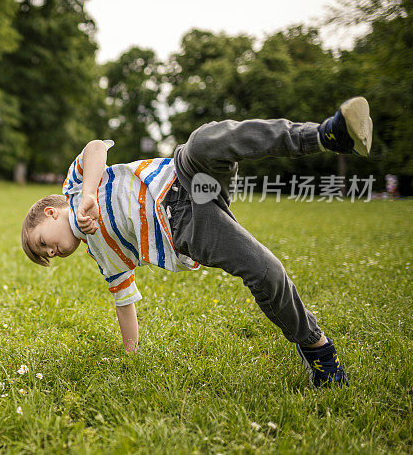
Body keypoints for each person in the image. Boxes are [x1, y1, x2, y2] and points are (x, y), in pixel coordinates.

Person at [21, 96, 374, 389]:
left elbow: (95, 148)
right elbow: (124, 300)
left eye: (42, 243)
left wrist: (88, 194)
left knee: (206, 139)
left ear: (51, 214)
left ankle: (326, 136)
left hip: (186, 174)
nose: (51, 252)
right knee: (266, 272)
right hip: (190, 226)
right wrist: (130, 355)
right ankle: (319, 351)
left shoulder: (75, 186)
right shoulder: (102, 253)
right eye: (47, 256)